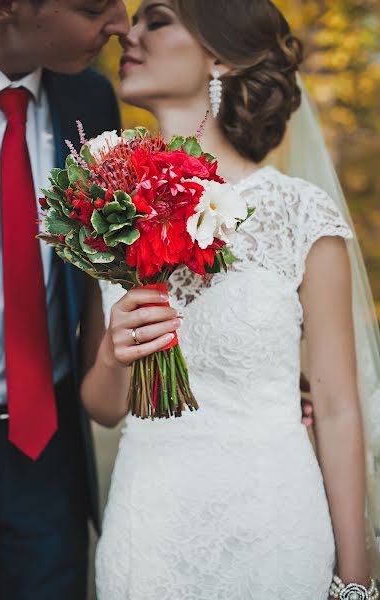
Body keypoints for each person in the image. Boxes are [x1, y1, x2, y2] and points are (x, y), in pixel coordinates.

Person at [81, 1, 380, 598]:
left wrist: (355, 580)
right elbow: (104, 407)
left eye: (156, 20)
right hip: (148, 532)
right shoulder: (107, 213)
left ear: (219, 56)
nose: (127, 35)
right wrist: (115, 356)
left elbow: (339, 407)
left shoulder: (299, 213)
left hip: (272, 523)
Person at [0, 1, 129, 598]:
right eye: (94, 6)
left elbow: (102, 272)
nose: (120, 24)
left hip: (46, 448)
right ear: (4, 5)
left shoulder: (91, 102)